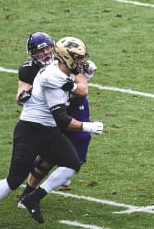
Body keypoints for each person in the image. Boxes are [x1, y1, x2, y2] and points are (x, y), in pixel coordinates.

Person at [0, 37, 104, 228]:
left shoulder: (62, 70)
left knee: (72, 164)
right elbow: (62, 119)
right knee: (14, 179)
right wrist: (89, 126)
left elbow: (77, 90)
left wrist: (82, 77)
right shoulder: (51, 77)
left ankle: (33, 198)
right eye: (78, 58)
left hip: (48, 131)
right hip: (31, 131)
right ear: (66, 57)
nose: (81, 62)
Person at [16, 32, 98, 206]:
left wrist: (65, 84)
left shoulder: (70, 61)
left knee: (80, 149)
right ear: (32, 53)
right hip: (52, 110)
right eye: (40, 51)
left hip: (75, 104)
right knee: (47, 157)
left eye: (47, 48)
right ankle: (28, 192)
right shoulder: (28, 70)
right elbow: (20, 97)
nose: (45, 53)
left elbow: (82, 90)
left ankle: (64, 171)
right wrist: (27, 95)